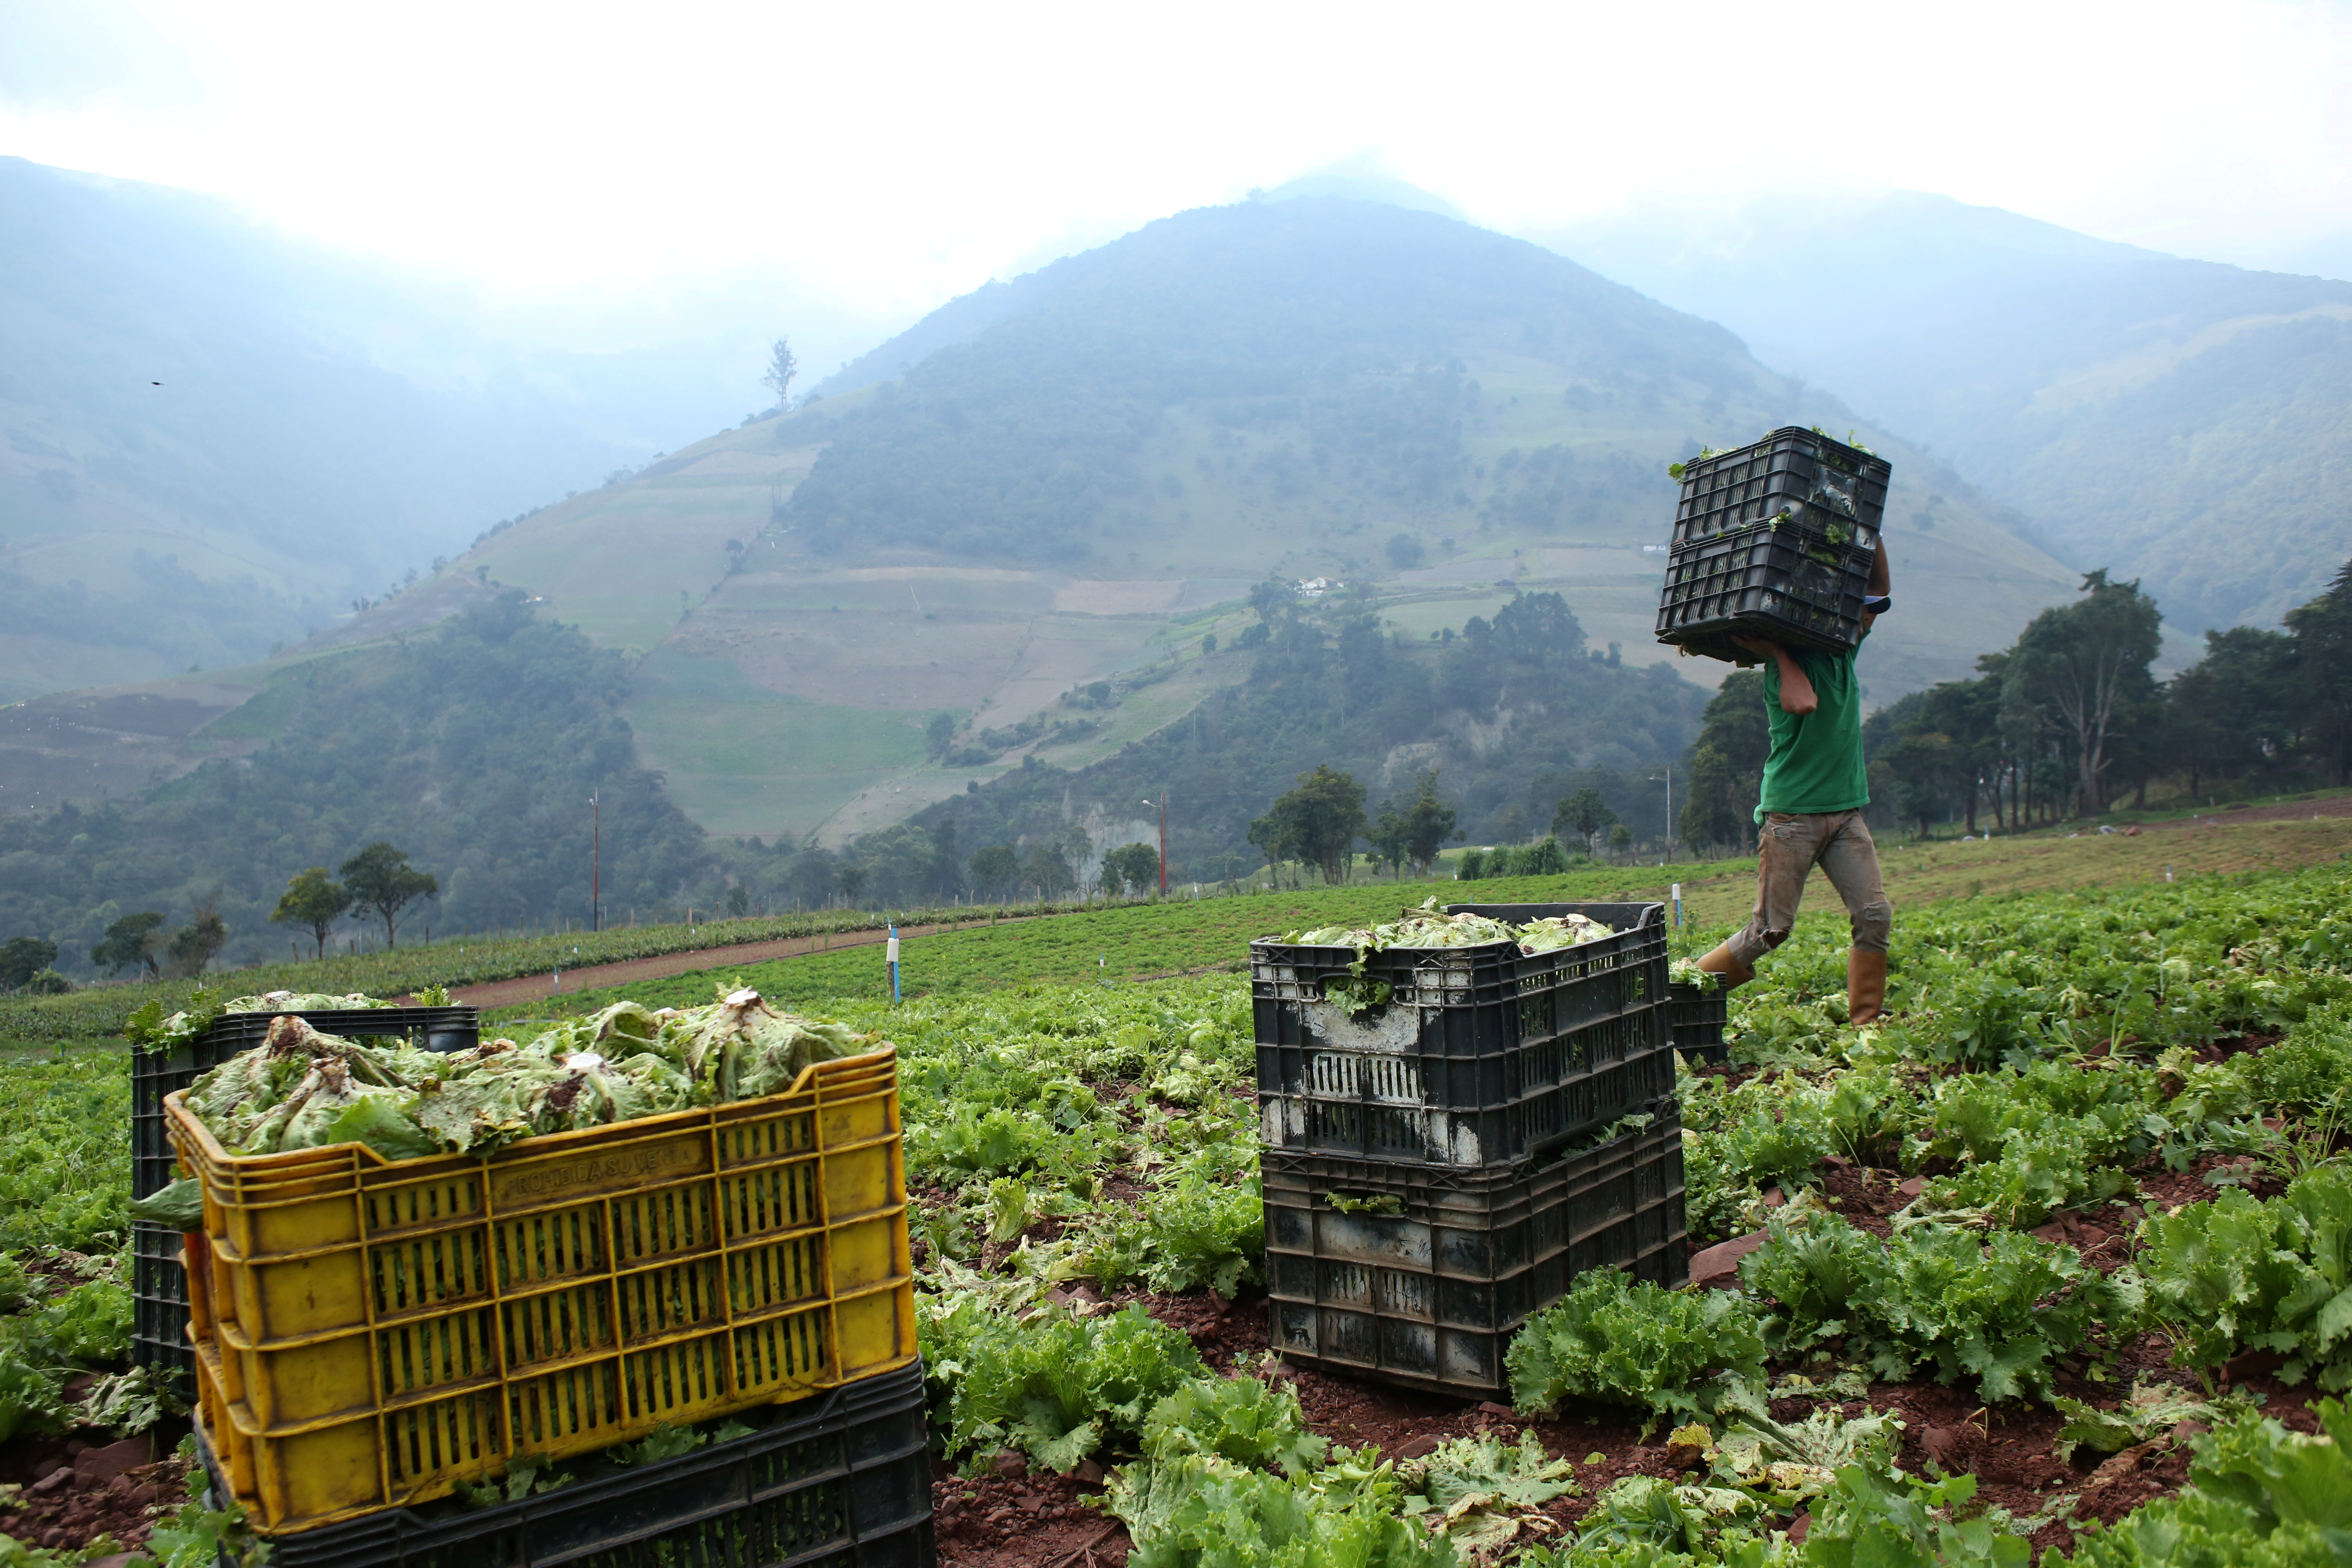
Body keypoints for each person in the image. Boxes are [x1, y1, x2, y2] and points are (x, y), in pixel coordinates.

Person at [1694, 540, 1893, 1023]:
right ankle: (1686, 988)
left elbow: (1880, 590)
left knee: (1874, 916)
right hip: (1792, 818)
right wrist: (1779, 652)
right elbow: (1803, 703)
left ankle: (1865, 1024)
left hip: (1844, 813)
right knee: (1771, 931)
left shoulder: (1844, 651)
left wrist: (1870, 535)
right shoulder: (1782, 672)